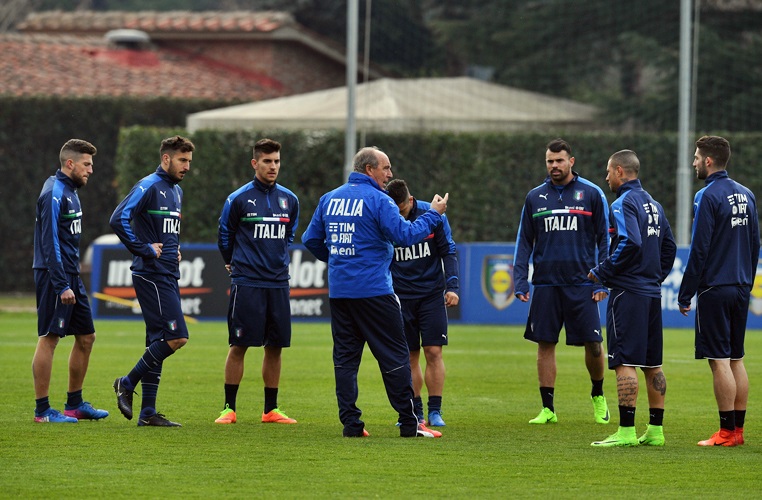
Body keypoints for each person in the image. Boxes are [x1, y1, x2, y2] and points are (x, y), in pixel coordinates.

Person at [302, 146, 448, 438]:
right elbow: (405, 235)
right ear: (369, 169)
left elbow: (310, 239)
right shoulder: (380, 201)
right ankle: (410, 424)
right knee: (395, 357)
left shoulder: (329, 199)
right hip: (375, 293)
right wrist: (433, 215)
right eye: (386, 168)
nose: (390, 174)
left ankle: (352, 425)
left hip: (341, 294)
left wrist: (341, 260)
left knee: (345, 360)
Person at [513, 138, 611, 425]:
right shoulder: (534, 197)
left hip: (582, 283)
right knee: (545, 344)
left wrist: (602, 280)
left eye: (559, 160)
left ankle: (598, 395)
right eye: (549, 161)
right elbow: (524, 242)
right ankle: (548, 409)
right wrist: (520, 280)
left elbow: (605, 240)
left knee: (593, 344)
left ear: (572, 161)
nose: (554, 166)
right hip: (545, 284)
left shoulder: (591, 193)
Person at [589, 149, 676, 447]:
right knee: (652, 363)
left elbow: (629, 241)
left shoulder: (622, 203)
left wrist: (604, 271)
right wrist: (654, 277)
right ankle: (655, 431)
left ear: (620, 172)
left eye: (608, 172)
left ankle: (626, 430)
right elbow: (669, 248)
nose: (606, 177)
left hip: (627, 292)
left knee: (624, 360)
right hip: (651, 293)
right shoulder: (655, 204)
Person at [678, 136, 759, 447]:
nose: (695, 162)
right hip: (740, 287)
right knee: (736, 358)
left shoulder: (706, 196)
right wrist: (746, 282)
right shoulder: (747, 194)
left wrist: (686, 292)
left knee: (719, 360)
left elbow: (700, 249)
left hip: (715, 287)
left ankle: (725, 433)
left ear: (709, 161)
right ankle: (737, 432)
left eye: (697, 157)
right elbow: (755, 245)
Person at [109, 135, 195, 427]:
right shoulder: (148, 185)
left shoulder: (176, 191)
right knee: (176, 337)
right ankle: (127, 382)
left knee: (157, 340)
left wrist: (173, 249)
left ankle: (147, 413)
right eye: (182, 160)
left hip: (168, 272)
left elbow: (164, 229)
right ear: (166, 158)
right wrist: (144, 249)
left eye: (189, 161)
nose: (187, 167)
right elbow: (118, 218)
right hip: (151, 274)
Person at [214, 139, 300, 425]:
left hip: (278, 282)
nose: (273, 166)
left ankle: (270, 410)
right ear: (255, 163)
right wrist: (233, 261)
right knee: (239, 345)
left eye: (276, 161)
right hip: (247, 281)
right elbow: (224, 235)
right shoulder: (238, 199)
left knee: (275, 346)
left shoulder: (290, 199)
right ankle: (229, 408)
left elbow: (289, 236)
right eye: (267, 161)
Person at [32, 139, 109, 423]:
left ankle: (74, 405)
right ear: (70, 163)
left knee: (86, 337)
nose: (91, 170)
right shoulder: (53, 192)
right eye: (87, 164)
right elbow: (49, 241)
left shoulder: (71, 191)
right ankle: (42, 411)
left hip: (71, 275)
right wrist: (61, 283)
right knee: (50, 338)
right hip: (56, 275)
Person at [386, 179, 459, 427]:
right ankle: (414, 412)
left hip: (430, 295)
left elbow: (448, 250)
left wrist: (453, 286)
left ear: (410, 200)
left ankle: (435, 411)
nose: (398, 214)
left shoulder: (432, 213)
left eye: (402, 209)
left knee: (434, 352)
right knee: (409, 356)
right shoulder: (386, 214)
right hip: (399, 297)